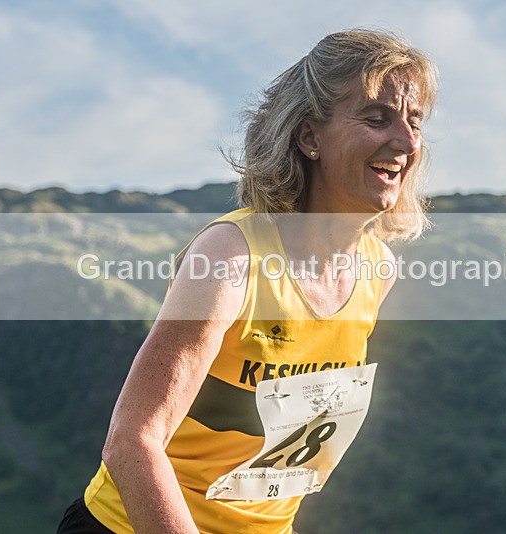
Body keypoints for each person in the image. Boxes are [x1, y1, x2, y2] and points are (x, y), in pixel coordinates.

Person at [57, 28, 437, 534]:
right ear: (309, 137)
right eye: (376, 118)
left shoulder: (379, 271)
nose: (408, 142)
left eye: (415, 122)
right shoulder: (230, 255)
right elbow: (132, 442)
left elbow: (287, 462)